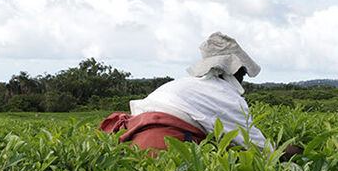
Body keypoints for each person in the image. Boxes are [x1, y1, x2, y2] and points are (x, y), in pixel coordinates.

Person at [99, 32, 302, 158]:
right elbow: (260, 149)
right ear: (236, 70)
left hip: (130, 143)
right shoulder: (226, 96)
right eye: (242, 72)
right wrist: (299, 153)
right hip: (164, 149)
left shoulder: (182, 85)